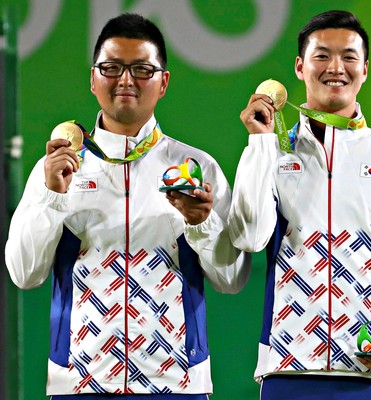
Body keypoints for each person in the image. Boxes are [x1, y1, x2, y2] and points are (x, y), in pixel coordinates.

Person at [4, 13, 250, 399]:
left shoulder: (196, 168)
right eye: (112, 67)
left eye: (141, 69)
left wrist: (202, 225)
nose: (125, 80)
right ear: (92, 78)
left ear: (163, 82)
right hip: (79, 385)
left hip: (178, 385)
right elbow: (24, 273)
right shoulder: (57, 167)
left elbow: (232, 279)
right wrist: (52, 197)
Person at [231, 10, 371, 400]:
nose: (336, 68)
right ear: (299, 67)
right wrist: (260, 143)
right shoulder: (269, 152)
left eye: (348, 57)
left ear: (364, 69)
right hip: (287, 372)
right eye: (322, 56)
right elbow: (249, 238)